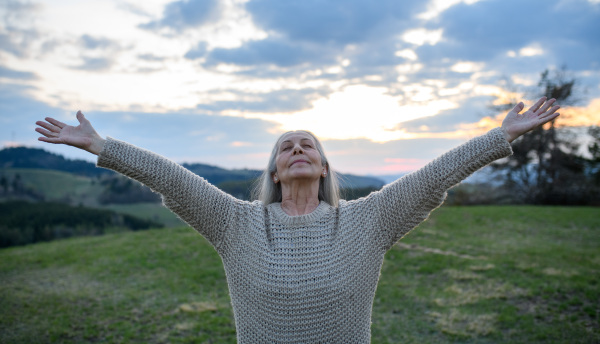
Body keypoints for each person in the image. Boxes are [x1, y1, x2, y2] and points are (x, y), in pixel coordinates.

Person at [35, 97, 560, 343]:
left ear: (325, 165)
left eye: (308, 143)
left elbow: (431, 176)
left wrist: (501, 136)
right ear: (276, 171)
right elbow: (172, 179)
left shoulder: (366, 222)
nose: (298, 148)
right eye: (286, 147)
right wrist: (101, 146)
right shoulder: (235, 224)